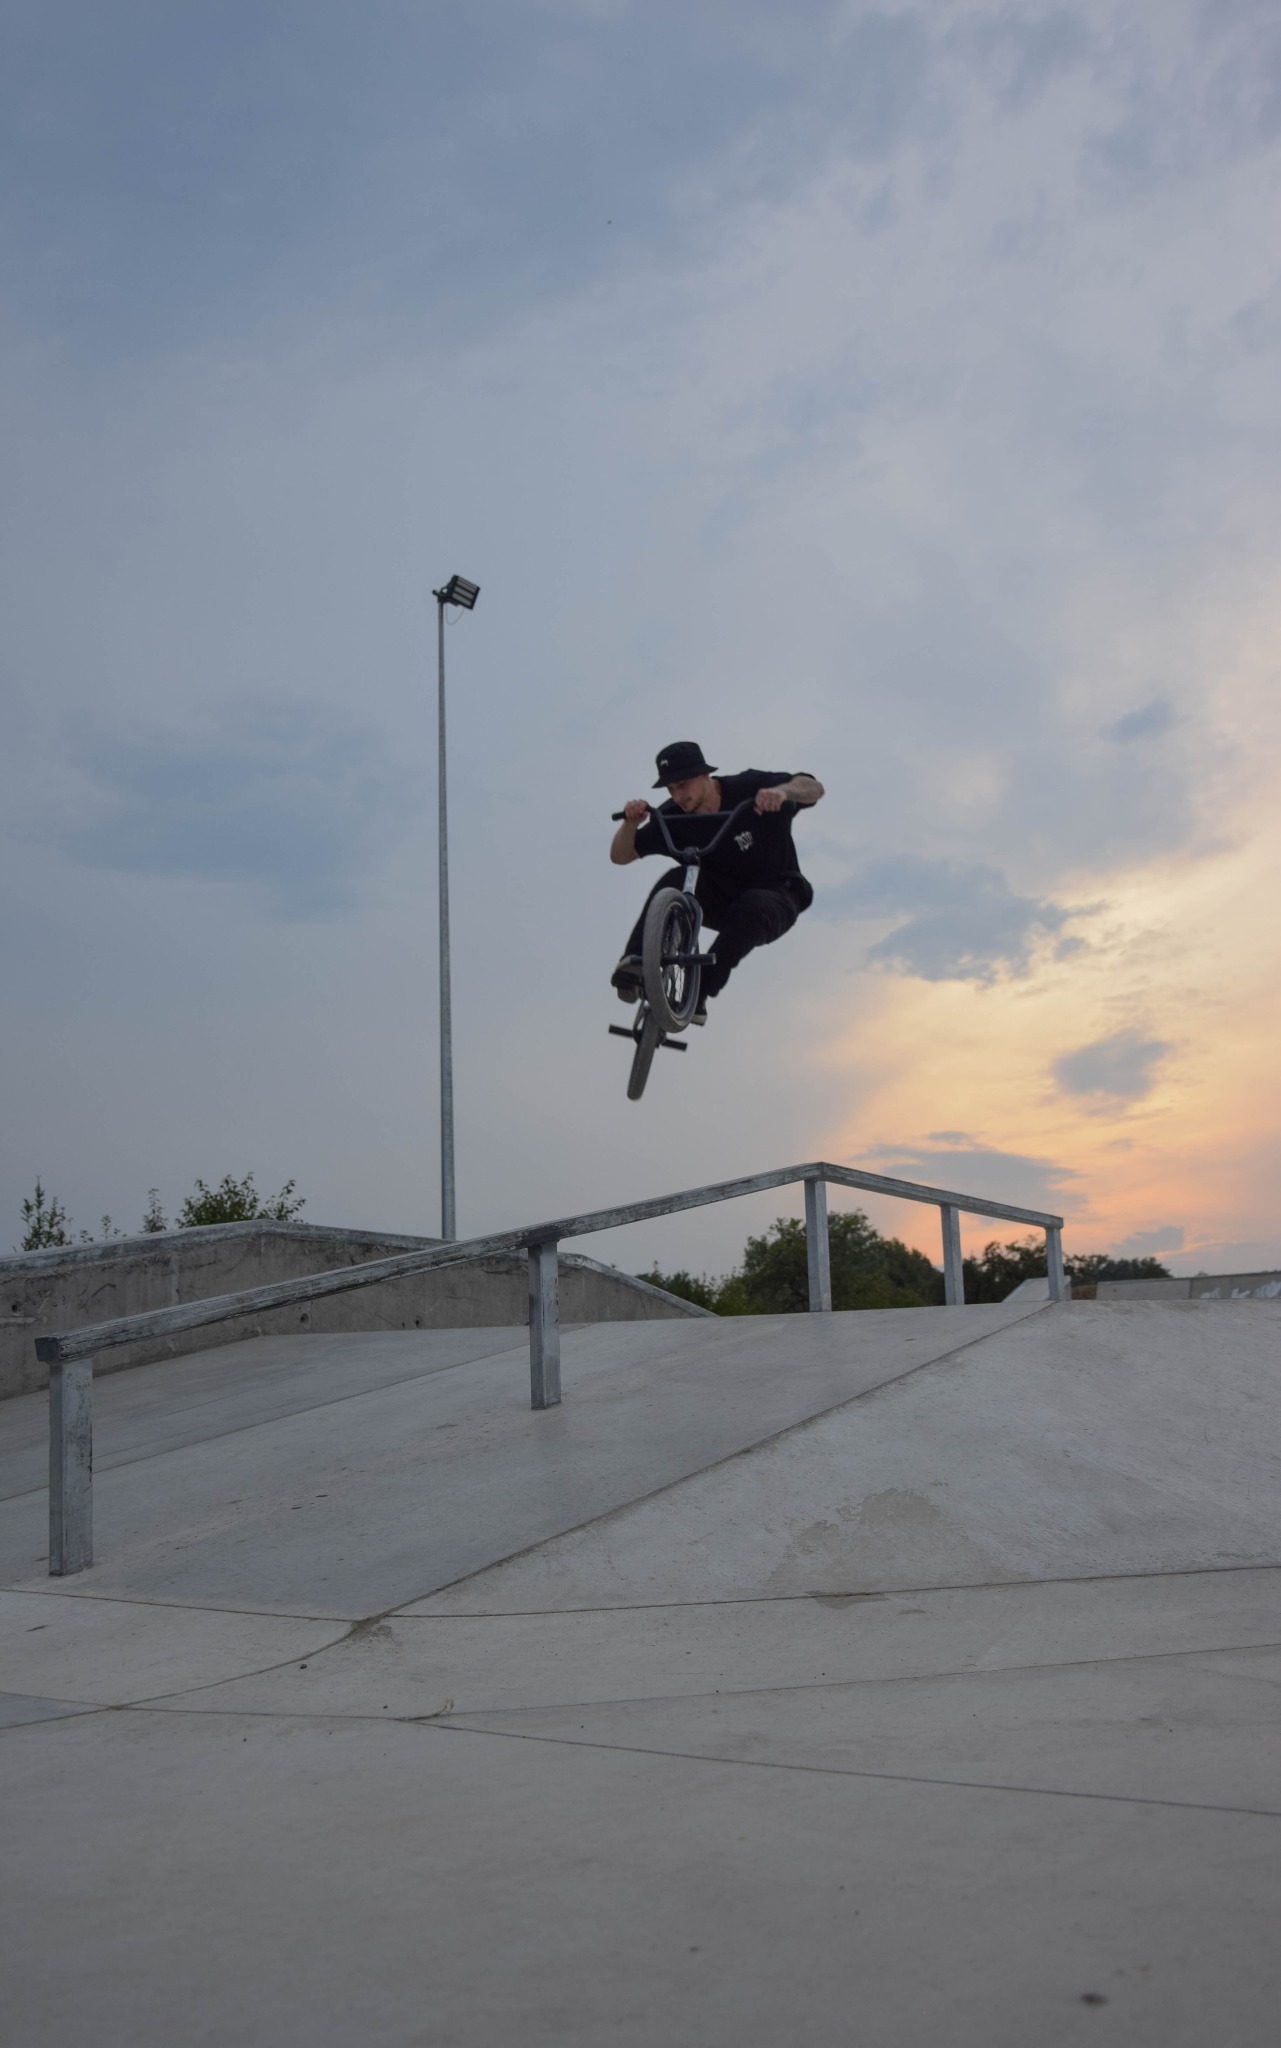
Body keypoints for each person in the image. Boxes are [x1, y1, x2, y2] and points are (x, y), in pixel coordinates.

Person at [610, 740, 824, 1013]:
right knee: (676, 879)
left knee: (752, 906)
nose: (678, 796)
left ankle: (699, 991)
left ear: (704, 775)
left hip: (778, 895)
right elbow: (621, 855)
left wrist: (782, 792)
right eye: (671, 789)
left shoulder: (749, 787)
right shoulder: (673, 817)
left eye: (683, 785)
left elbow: (814, 788)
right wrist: (630, 824)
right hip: (722, 899)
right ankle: (636, 961)